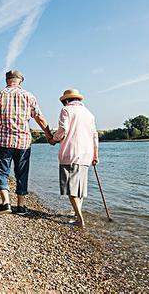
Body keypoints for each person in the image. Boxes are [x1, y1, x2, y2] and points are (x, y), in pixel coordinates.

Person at [0, 70, 53, 215]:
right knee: (22, 172)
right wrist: (48, 135)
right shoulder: (29, 96)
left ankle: (6, 203)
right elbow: (39, 117)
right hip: (23, 142)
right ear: (21, 81)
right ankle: (21, 206)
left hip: (3, 141)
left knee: (2, 171)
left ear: (6, 80)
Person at [51, 89, 99, 228]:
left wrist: (54, 139)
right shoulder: (89, 114)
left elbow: (63, 130)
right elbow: (94, 136)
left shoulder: (66, 110)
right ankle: (75, 212)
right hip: (86, 155)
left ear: (66, 100)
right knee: (80, 188)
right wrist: (95, 155)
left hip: (70, 153)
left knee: (71, 188)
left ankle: (80, 219)